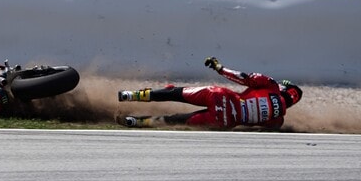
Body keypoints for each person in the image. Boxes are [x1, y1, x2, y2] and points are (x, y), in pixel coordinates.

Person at [117, 57, 303, 130]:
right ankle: (137, 122)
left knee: (174, 93)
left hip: (220, 96)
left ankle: (130, 95)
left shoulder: (271, 85)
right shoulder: (277, 121)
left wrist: (220, 68)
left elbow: (243, 78)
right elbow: (255, 130)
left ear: (284, 89)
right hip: (223, 121)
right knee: (176, 120)